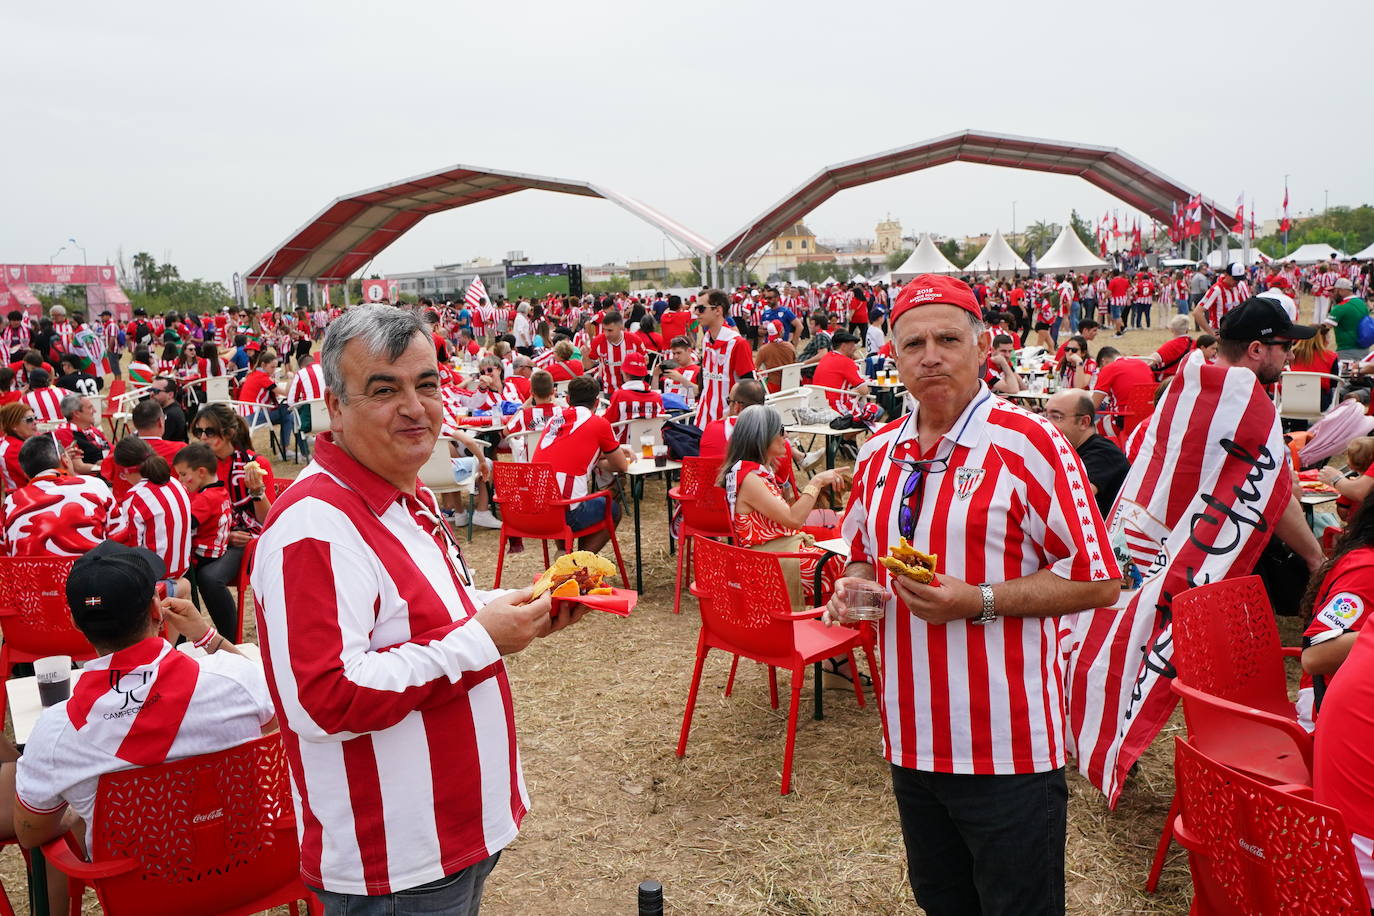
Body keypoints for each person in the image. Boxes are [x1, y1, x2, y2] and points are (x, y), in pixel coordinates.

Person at [252, 304, 590, 911]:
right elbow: (323, 698)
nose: (415, 406)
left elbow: (429, 615)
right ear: (335, 407)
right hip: (397, 859)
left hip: (449, 838)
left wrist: (523, 607)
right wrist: (484, 638)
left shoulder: (405, 494)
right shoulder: (315, 528)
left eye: (427, 384)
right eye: (385, 390)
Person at [823, 273, 1121, 915]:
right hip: (910, 737)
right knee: (942, 902)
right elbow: (859, 555)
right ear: (893, 356)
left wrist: (978, 599)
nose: (931, 354)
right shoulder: (880, 454)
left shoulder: (1031, 444)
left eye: (948, 338)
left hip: (1007, 746)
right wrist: (855, 587)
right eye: (914, 343)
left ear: (983, 347)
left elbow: (1100, 578)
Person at [13, 539, 272, 915]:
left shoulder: (57, 730)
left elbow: (30, 831)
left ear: (74, 622)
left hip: (144, 894)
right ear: (157, 609)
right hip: (250, 870)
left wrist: (81, 812)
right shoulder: (232, 681)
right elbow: (277, 704)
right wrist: (208, 637)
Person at [720, 404, 849, 605]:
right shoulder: (750, 479)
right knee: (852, 565)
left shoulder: (752, 472)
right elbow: (793, 520)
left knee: (849, 558)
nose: (786, 436)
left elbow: (788, 516)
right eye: (781, 430)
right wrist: (816, 482)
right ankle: (854, 632)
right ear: (761, 436)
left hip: (773, 555)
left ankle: (850, 629)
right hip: (772, 563)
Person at [533, 375, 631, 554]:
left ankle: (564, 551)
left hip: (534, 509)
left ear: (568, 399)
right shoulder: (599, 423)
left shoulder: (553, 420)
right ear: (597, 402)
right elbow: (621, 466)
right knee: (612, 508)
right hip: (565, 514)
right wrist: (601, 461)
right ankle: (577, 564)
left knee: (569, 498)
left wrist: (597, 459)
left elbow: (569, 449)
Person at [3, 435, 112, 556]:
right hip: (92, 572)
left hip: (32, 573)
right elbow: (120, 541)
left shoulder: (11, 502)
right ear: (65, 460)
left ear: (25, 473)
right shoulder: (93, 485)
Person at [106, 436, 194, 583]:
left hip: (155, 575)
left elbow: (134, 549)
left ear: (128, 470)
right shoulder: (175, 483)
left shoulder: (136, 495)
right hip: (181, 569)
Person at [173, 442, 236, 638]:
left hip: (203, 558)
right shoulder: (220, 491)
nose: (180, 479)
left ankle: (185, 635)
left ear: (201, 472)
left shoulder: (205, 498)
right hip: (212, 553)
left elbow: (185, 524)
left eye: (183, 474)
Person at [1044, 389, 1130, 518]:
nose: (1046, 423)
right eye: (1046, 416)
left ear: (1084, 422)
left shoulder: (1105, 453)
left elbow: (1072, 498)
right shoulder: (1070, 448)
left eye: (1056, 417)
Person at [99, 400, 183, 500]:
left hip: (125, 509)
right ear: (160, 422)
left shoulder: (118, 452)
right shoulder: (180, 450)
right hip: (166, 506)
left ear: (135, 424)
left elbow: (107, 474)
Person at [695, 289, 756, 426]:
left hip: (729, 421)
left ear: (718, 310)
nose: (696, 312)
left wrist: (731, 415)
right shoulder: (706, 339)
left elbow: (751, 387)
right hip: (703, 417)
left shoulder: (737, 343)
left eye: (701, 308)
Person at [237, 347, 296, 459]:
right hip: (253, 416)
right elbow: (286, 393)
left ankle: (286, 448)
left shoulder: (255, 374)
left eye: (275, 367)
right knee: (287, 413)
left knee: (287, 415)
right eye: (272, 367)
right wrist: (290, 379)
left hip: (246, 414)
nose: (274, 370)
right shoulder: (262, 377)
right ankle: (286, 449)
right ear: (264, 365)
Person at [603, 350, 664, 438]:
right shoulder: (656, 397)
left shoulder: (620, 395)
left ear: (624, 373)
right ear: (644, 374)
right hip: (651, 446)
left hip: (623, 448)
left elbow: (607, 422)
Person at [587, 310, 642, 393]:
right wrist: (584, 356)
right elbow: (589, 365)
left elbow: (645, 361)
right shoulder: (598, 341)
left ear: (620, 327)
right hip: (609, 390)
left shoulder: (634, 340)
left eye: (610, 330)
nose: (606, 334)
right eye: (604, 330)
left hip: (632, 390)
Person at [53, 393, 109, 471]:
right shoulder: (66, 433)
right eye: (90, 408)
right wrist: (108, 469)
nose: (95, 411)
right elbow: (79, 467)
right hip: (94, 478)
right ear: (76, 413)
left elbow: (111, 451)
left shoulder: (91, 429)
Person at [1192, 262, 1251, 335]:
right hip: (1220, 332)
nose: (1237, 282)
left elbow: (1247, 306)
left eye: (1239, 279)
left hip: (1236, 331)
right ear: (1226, 275)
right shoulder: (1216, 290)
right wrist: (1212, 333)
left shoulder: (1240, 286)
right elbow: (1197, 312)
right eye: (1235, 279)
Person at [1326, 277, 1371, 361]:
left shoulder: (1340, 307)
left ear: (1342, 291)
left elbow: (1325, 328)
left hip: (1346, 350)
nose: (1333, 294)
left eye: (1334, 291)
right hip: (1364, 348)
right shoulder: (1362, 303)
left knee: (1346, 374)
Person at [1145, 315, 1195, 381]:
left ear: (1171, 329)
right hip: (1189, 379)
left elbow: (1150, 360)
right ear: (1187, 329)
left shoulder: (1170, 345)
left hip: (1169, 381)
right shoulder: (1195, 343)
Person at [0, 400, 36, 490]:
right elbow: (39, 476)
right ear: (14, 425)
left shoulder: (10, 441)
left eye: (35, 418)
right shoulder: (15, 449)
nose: (35, 422)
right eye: (29, 420)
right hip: (24, 497)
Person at [754, 321, 796, 392]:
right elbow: (795, 363)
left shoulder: (764, 349)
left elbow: (755, 368)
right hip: (791, 384)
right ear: (780, 332)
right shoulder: (790, 346)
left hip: (773, 387)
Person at [147, 377, 188, 442]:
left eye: (156, 391)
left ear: (170, 395)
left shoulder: (171, 415)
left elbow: (156, 442)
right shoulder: (164, 410)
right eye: (150, 390)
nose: (151, 394)